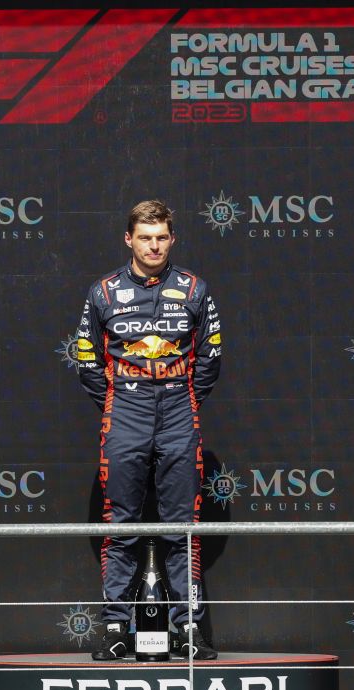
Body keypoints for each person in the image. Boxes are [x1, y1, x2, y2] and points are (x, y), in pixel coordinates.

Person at [73, 200, 222, 660]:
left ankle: (188, 630)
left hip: (179, 407)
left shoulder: (195, 289)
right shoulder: (103, 292)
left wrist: (180, 397)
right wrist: (123, 398)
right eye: (145, 237)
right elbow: (86, 359)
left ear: (171, 239)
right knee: (121, 526)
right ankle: (116, 628)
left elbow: (211, 358)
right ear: (129, 239)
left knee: (184, 529)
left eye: (161, 237)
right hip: (126, 411)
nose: (153, 245)